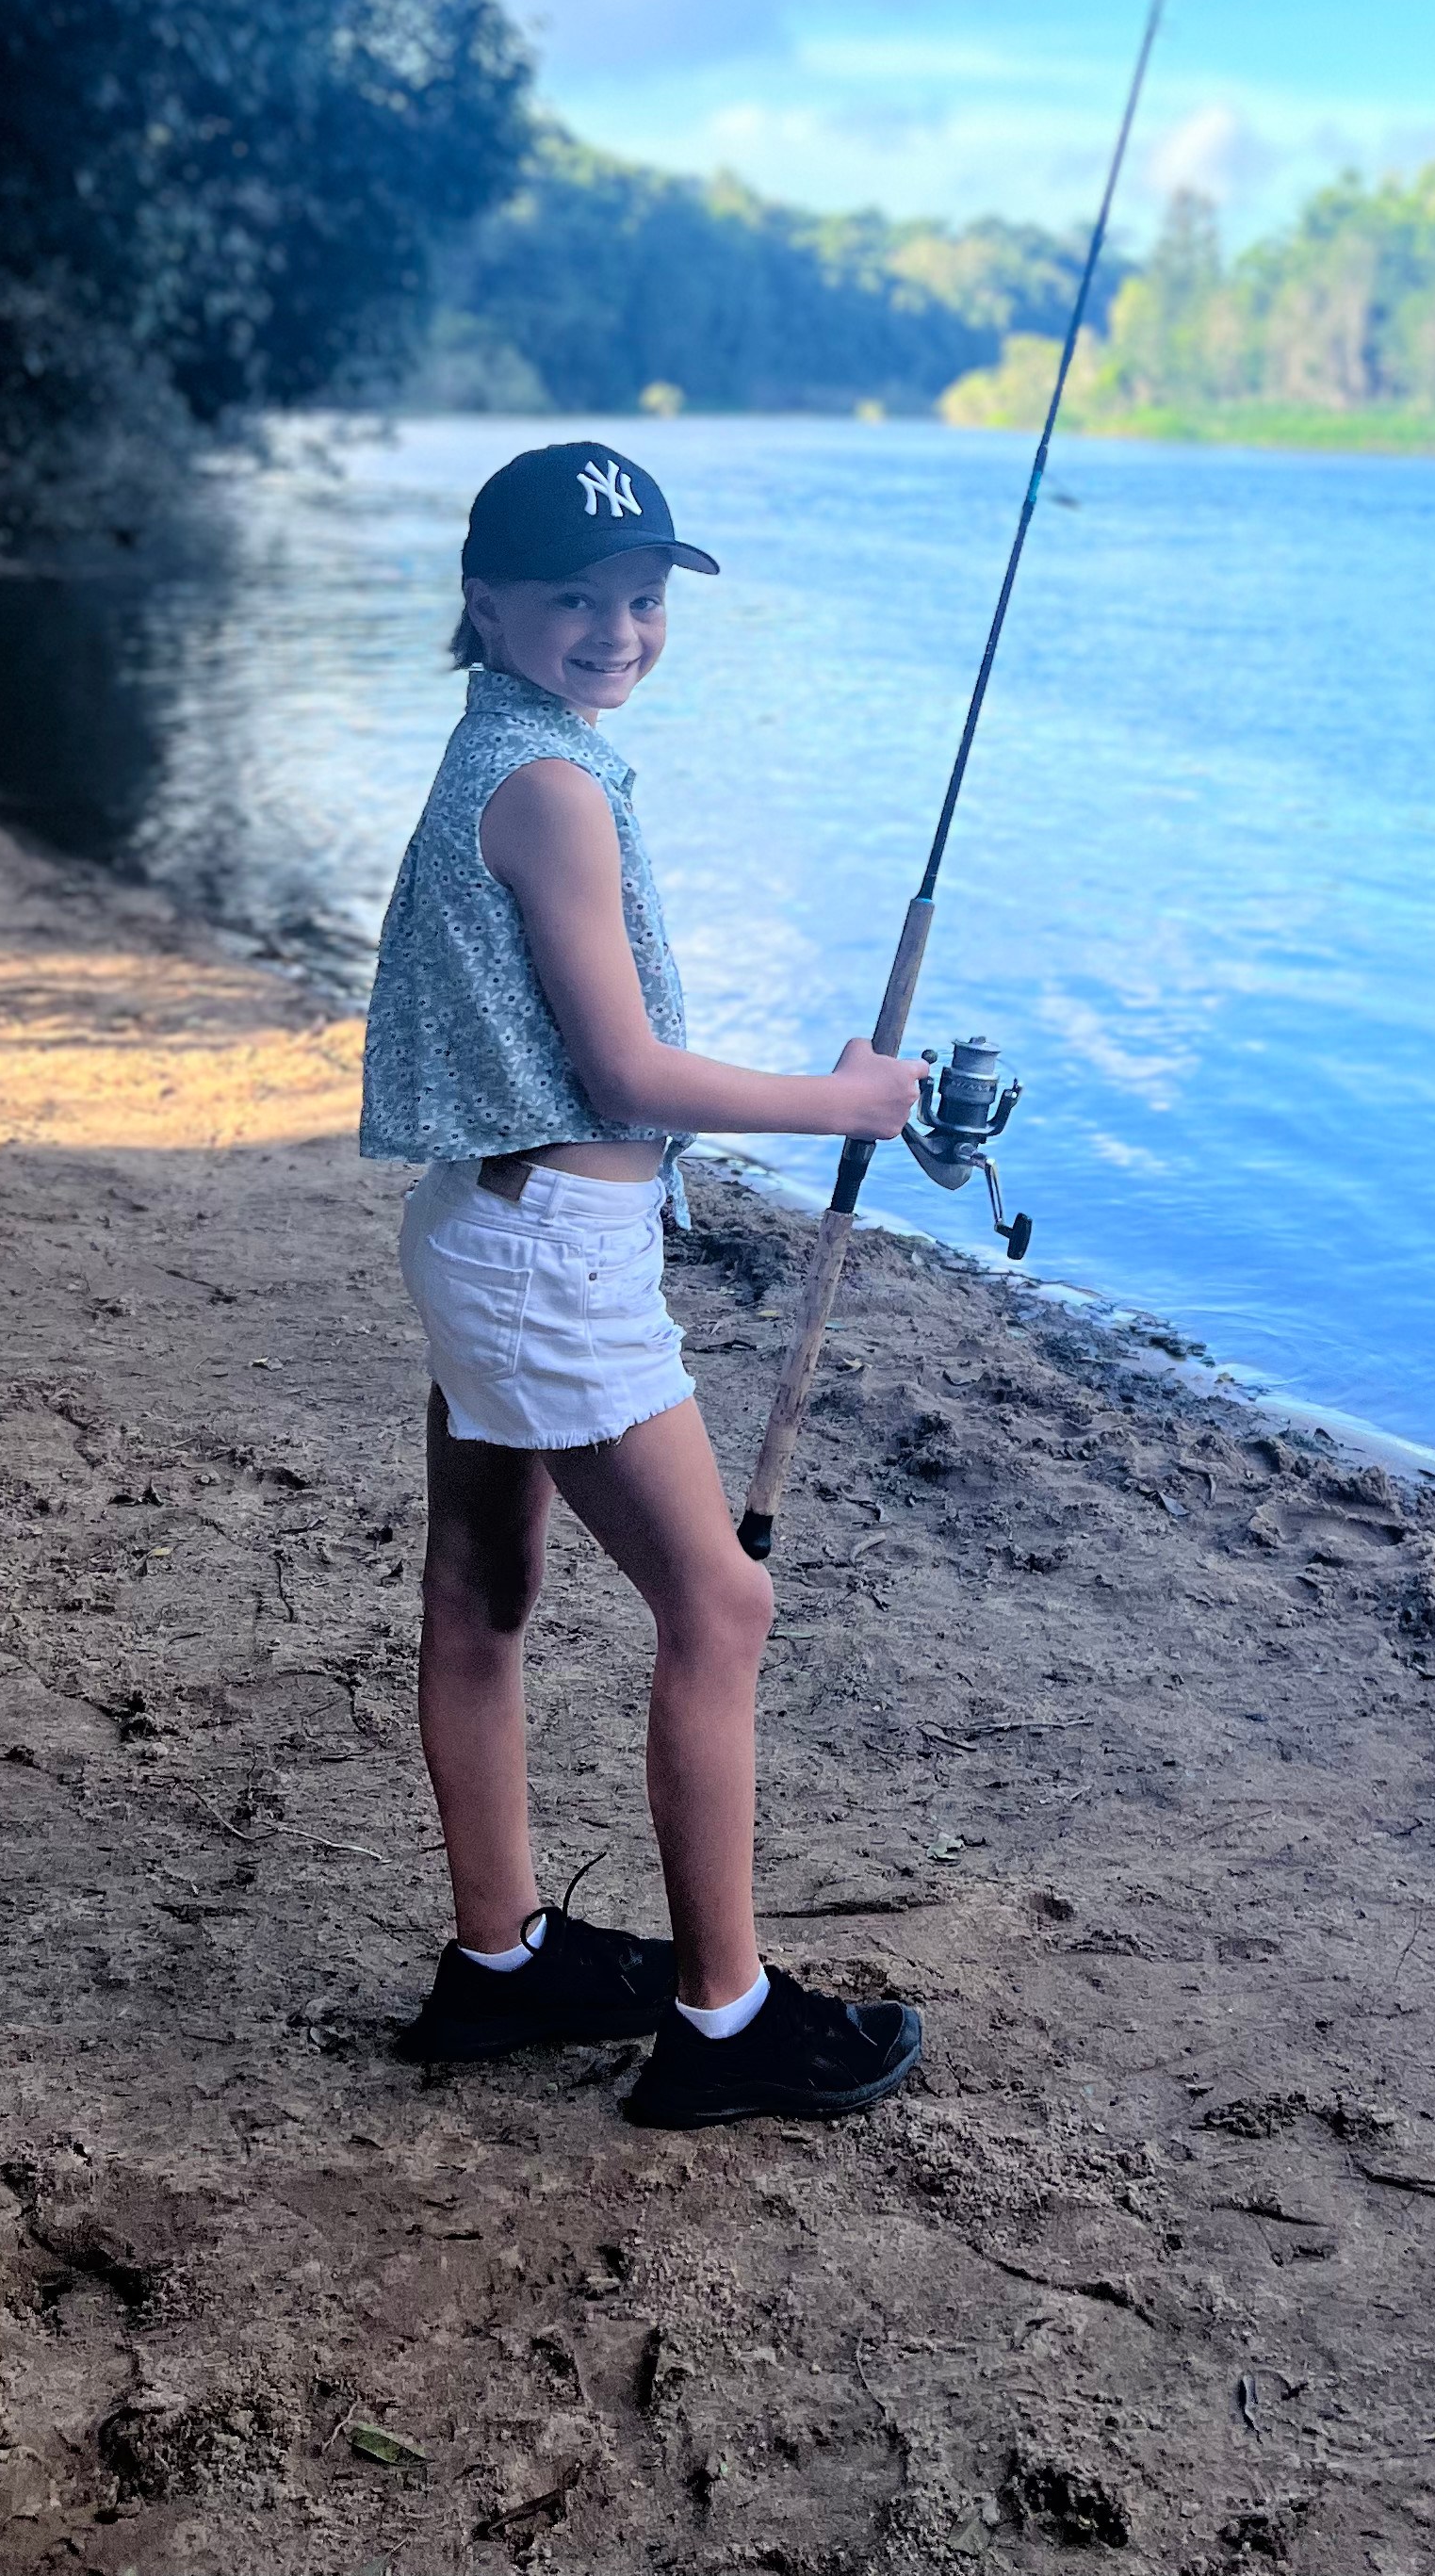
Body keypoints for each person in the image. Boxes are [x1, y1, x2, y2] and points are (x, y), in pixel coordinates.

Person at [361, 440, 925, 2128]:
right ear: (486, 603)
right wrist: (846, 1102)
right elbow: (628, 1067)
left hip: (491, 1225)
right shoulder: (549, 787)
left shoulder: (519, 752)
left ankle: (500, 1966)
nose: (616, 627)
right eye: (573, 598)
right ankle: (724, 2022)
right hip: (549, 1258)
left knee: (484, 1589)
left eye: (642, 597)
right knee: (720, 1604)